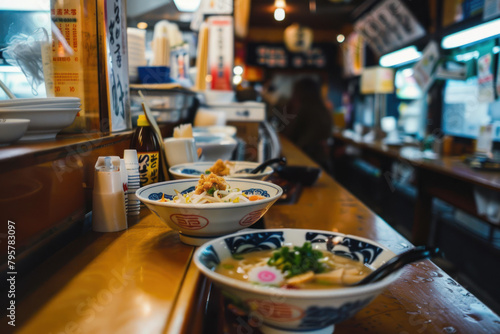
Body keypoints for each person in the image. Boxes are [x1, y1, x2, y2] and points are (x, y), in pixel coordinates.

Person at [281, 77, 333, 172]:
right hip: (322, 161)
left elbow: (289, 134)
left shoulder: (305, 109)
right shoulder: (323, 109)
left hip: (307, 160)